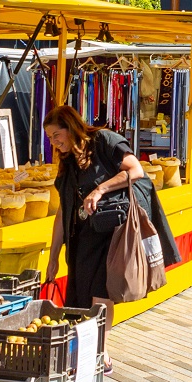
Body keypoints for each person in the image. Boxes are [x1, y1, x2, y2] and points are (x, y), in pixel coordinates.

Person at [45, 105, 148, 309]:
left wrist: (100, 190)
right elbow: (63, 211)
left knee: (101, 298)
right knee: (80, 301)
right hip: (81, 242)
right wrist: (53, 257)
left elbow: (136, 170)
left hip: (110, 236)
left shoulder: (103, 140)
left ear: (71, 127)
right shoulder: (67, 161)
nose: (53, 142)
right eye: (49, 137)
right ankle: (90, 331)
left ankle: (100, 332)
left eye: (56, 135)